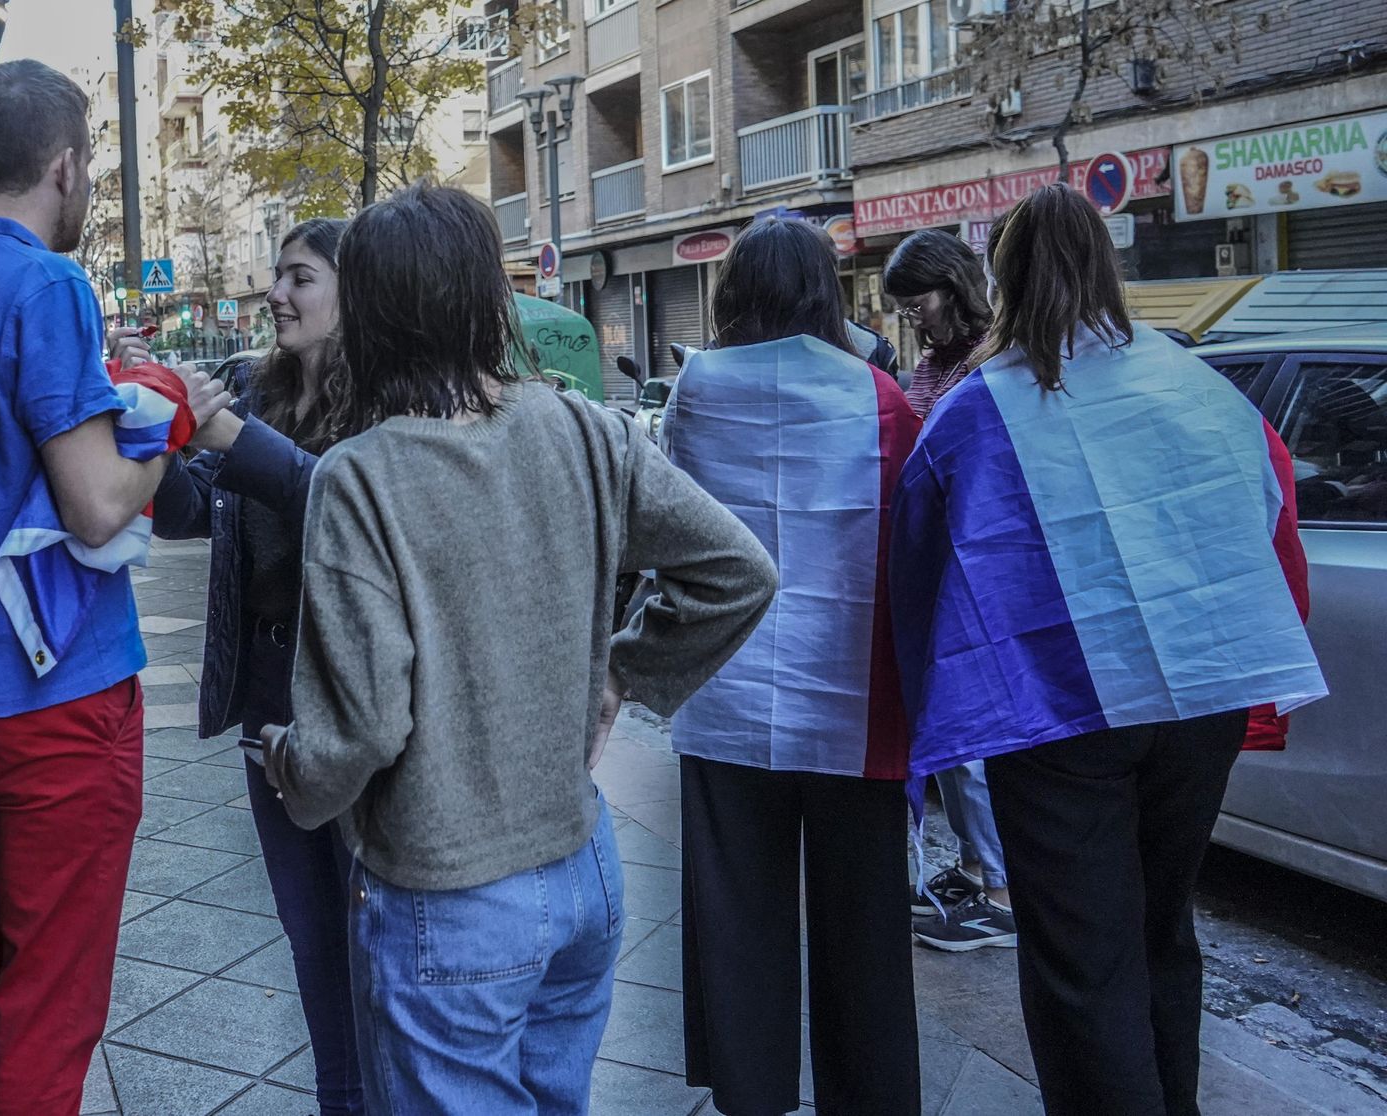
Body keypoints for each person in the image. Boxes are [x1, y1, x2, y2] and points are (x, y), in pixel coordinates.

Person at [258, 182, 778, 1116]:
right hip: (584, 874)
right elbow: (739, 572)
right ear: (486, 300)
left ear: (372, 314)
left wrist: (293, 771)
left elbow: (362, 726)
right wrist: (628, 670)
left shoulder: (359, 477)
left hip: (446, 902)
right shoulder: (581, 427)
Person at [889, 183, 1326, 1116]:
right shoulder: (1201, 389)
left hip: (1056, 712)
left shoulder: (977, 409)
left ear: (1001, 278)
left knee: (1082, 955)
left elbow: (919, 563)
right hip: (1197, 697)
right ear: (1109, 268)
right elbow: (1268, 520)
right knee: (1162, 927)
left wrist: (928, 699)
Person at [0, 60, 229, 1115]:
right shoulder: (45, 285)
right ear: (66, 166)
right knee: (52, 998)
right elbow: (97, 506)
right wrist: (171, 422)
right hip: (59, 700)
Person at [661, 217, 923, 1115]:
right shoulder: (877, 395)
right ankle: (871, 1093)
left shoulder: (696, 389)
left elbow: (670, 528)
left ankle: (751, 1090)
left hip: (726, 689)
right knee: (866, 921)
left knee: (736, 916)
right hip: (854, 692)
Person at [145, 219, 363, 1115]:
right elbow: (188, 512)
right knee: (310, 934)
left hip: (354, 698)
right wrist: (157, 433)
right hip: (269, 695)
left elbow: (338, 499)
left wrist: (225, 433)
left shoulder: (387, 402)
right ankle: (341, 1099)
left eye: (300, 277)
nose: (276, 294)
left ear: (356, 295)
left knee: (373, 931)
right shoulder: (258, 393)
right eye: (278, 275)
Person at [882, 228, 1016, 951]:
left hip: (973, 568)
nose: (912, 317)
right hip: (931, 562)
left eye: (918, 301)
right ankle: (973, 864)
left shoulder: (991, 360)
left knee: (968, 737)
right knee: (946, 734)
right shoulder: (932, 363)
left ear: (955, 286)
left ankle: (1001, 891)